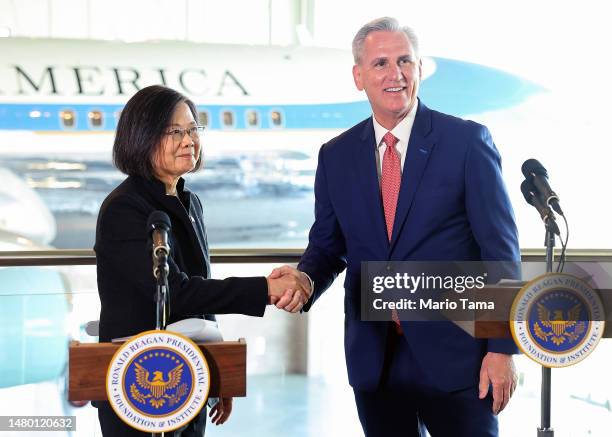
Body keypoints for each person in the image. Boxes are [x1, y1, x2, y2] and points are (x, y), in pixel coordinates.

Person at [271, 17, 520, 437]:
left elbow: (499, 251)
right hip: (375, 358)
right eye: (381, 63)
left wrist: (501, 349)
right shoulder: (336, 155)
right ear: (358, 76)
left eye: (405, 60)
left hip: (459, 357)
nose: (395, 74)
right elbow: (328, 246)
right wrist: (305, 278)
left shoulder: (466, 143)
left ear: (419, 69)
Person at [94, 85, 308, 436]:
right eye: (175, 131)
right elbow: (177, 292)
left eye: (193, 129)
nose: (189, 140)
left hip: (189, 377)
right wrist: (266, 289)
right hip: (138, 380)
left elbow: (200, 300)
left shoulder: (189, 202)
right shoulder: (125, 208)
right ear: (143, 137)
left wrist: (217, 373)